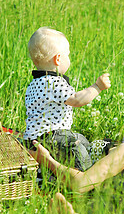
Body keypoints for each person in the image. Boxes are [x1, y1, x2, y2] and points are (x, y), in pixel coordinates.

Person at [24, 27, 111, 171]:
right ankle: (87, 174)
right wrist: (97, 87)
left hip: (35, 139)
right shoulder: (54, 82)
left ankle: (86, 161)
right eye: (67, 55)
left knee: (81, 140)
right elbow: (76, 100)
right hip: (53, 136)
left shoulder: (33, 84)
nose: (69, 59)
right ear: (58, 59)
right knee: (76, 145)